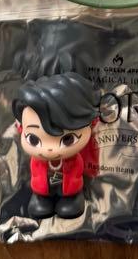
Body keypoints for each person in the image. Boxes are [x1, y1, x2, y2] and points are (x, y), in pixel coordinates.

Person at [14, 71, 100, 219]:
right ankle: (42, 199)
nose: (50, 149)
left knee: (70, 201)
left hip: (70, 190)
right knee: (41, 203)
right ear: (21, 128)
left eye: (68, 139)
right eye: (34, 139)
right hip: (42, 189)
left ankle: (70, 199)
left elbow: (77, 172)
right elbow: (36, 174)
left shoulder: (74, 159)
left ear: (91, 125)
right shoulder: (37, 161)